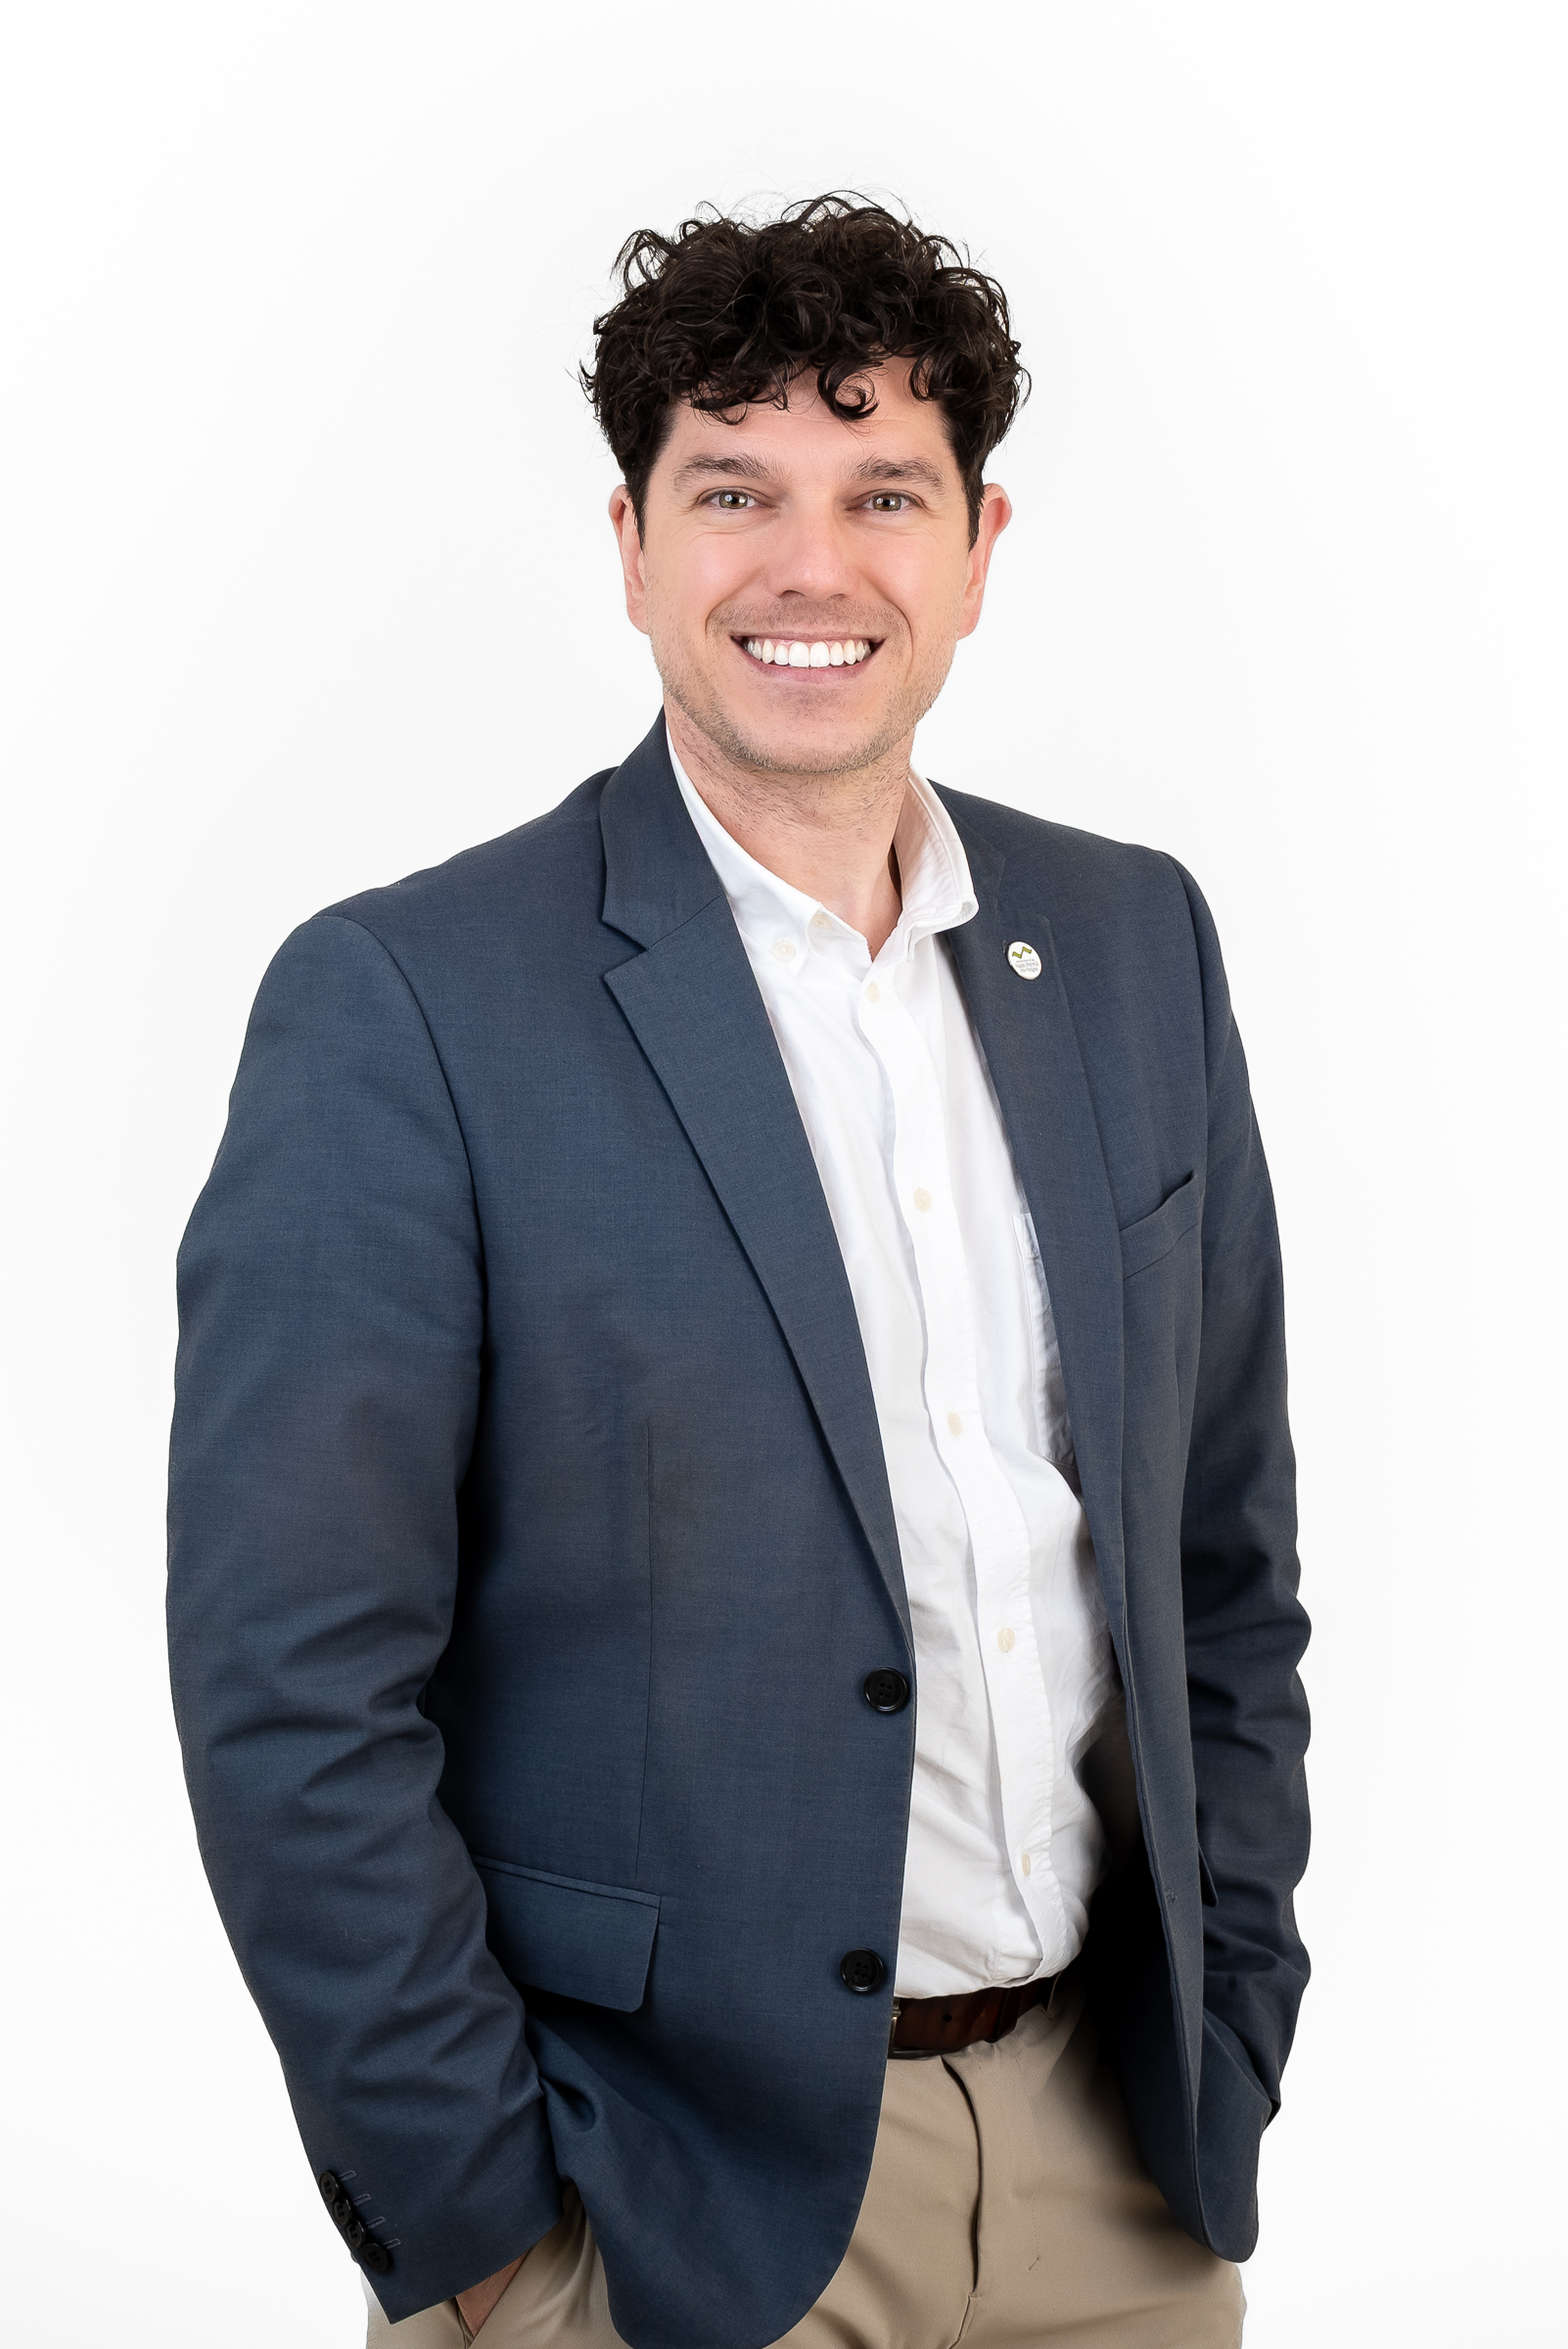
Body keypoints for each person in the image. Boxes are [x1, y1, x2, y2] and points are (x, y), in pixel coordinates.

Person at [167, 196, 1310, 2349]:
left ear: (977, 546)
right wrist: (489, 2242)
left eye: (881, 492)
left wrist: (1233, 2018)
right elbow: (291, 1682)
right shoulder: (409, 1004)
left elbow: (1221, 1555)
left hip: (1120, 2172)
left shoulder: (1133, 944)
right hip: (658, 2209)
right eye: (732, 493)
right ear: (630, 545)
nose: (811, 566)